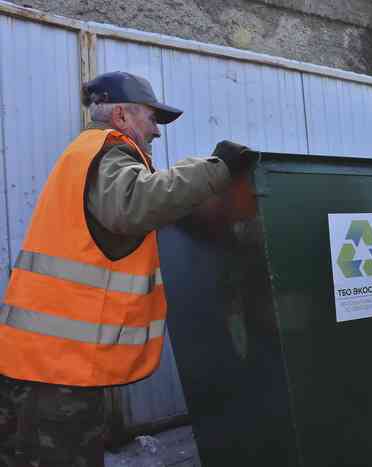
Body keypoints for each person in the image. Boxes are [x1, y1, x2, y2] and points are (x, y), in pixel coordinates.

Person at [0, 71, 252, 466]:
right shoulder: (109, 151)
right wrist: (216, 169)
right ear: (121, 115)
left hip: (40, 360)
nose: (156, 130)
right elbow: (135, 203)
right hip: (58, 370)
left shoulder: (84, 157)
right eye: (151, 118)